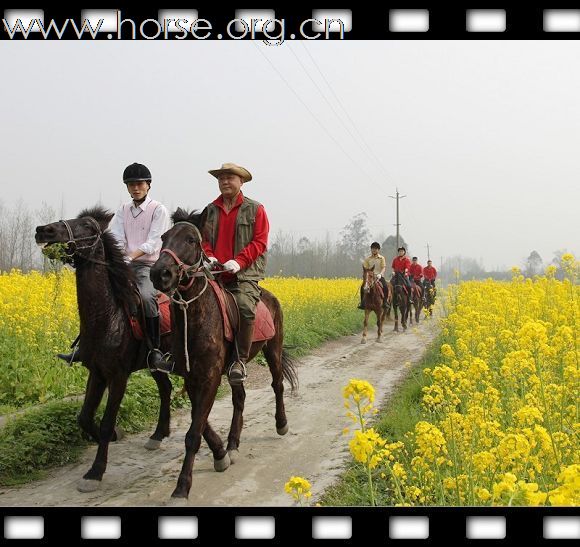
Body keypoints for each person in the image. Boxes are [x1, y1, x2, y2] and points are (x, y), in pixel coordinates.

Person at [56, 162, 173, 374]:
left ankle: (155, 351)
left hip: (147, 266)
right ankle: (85, 347)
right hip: (124, 263)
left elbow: (155, 242)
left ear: (148, 185)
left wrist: (130, 256)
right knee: (96, 295)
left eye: (139, 184)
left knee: (146, 297)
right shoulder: (123, 210)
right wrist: (118, 259)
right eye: (131, 185)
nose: (135, 188)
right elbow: (117, 237)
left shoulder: (159, 210)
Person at [201, 162, 269, 386]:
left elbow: (260, 241)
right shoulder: (210, 209)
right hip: (214, 273)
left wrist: (239, 263)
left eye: (230, 178)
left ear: (241, 182)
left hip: (244, 274)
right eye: (221, 178)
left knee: (244, 307)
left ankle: (239, 361)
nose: (225, 181)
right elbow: (203, 240)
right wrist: (209, 256)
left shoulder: (256, 209)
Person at [358, 242, 389, 309]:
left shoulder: (381, 258)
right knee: (362, 287)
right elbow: (365, 268)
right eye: (372, 249)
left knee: (386, 287)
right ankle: (362, 303)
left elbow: (383, 267)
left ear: (378, 250)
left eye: (375, 249)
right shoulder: (368, 259)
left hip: (379, 276)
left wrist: (380, 274)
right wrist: (365, 274)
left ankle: (385, 302)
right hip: (370, 277)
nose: (374, 250)